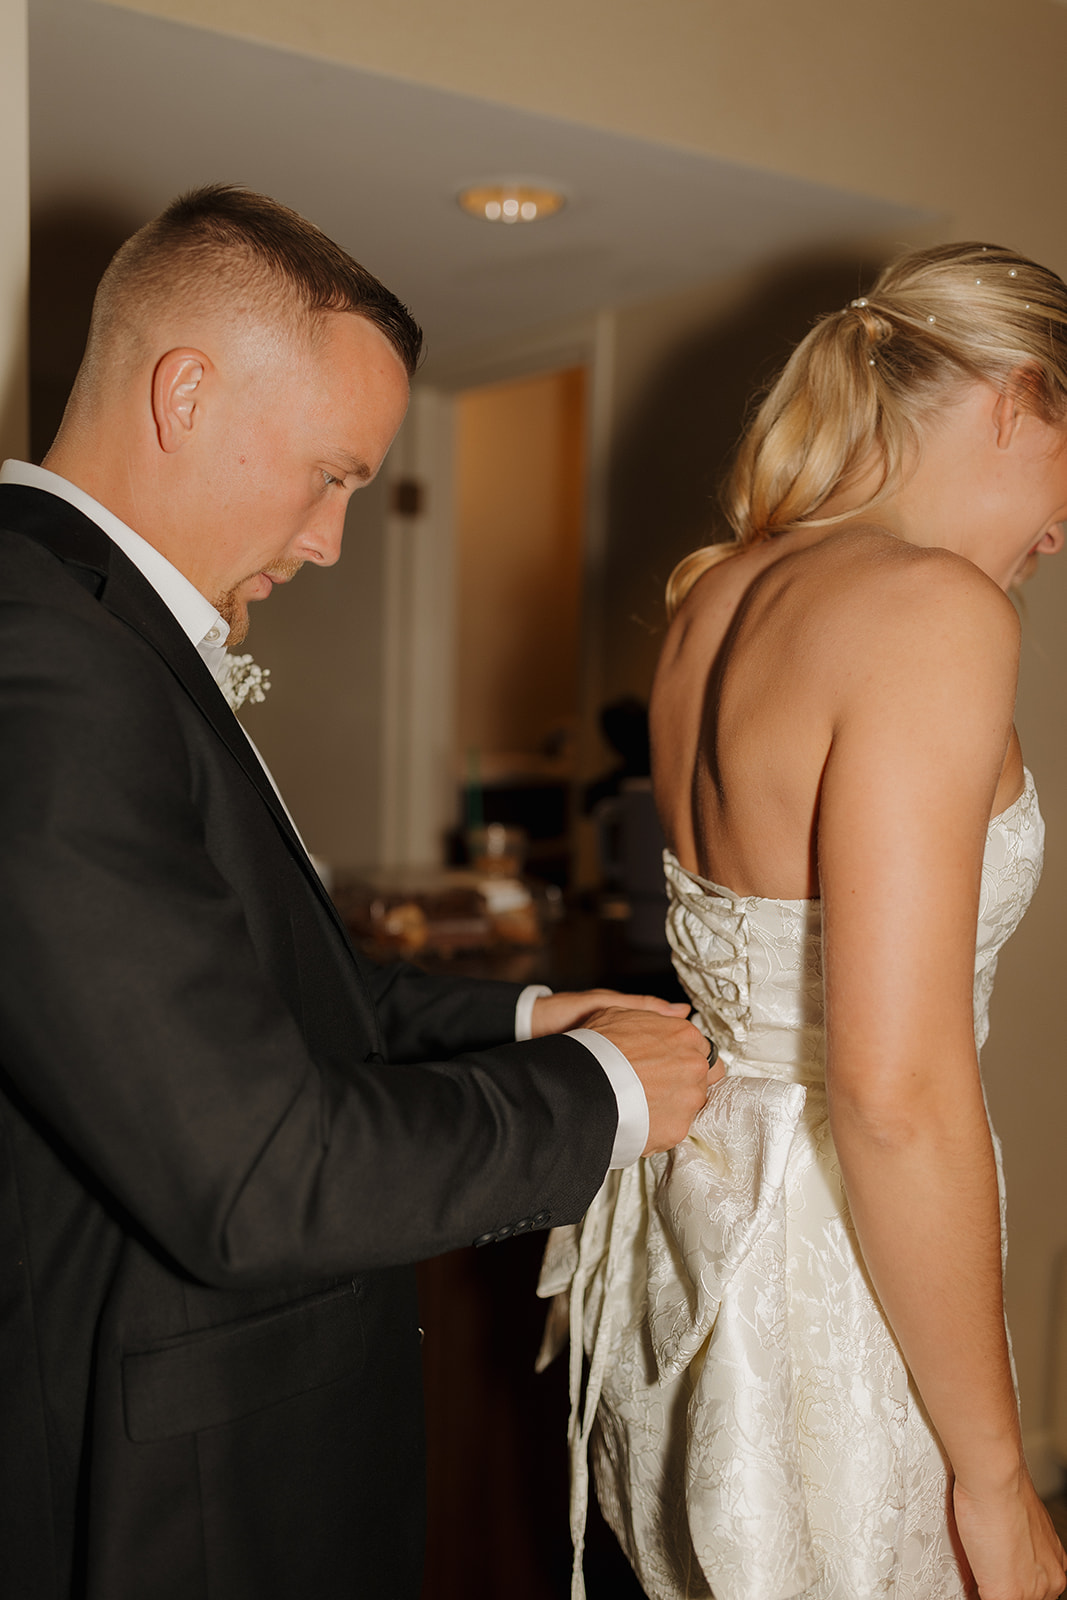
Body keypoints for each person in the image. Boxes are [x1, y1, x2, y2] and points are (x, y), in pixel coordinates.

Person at [0, 184, 717, 1600]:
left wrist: (514, 1019)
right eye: (329, 473)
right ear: (185, 393)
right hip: (168, 1502)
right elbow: (260, 1172)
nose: (333, 539)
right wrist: (601, 1097)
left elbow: (256, 987)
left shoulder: (94, 625)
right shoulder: (47, 656)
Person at [538, 242, 1067, 1600]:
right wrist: (999, 1479)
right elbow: (888, 1093)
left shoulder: (713, 599)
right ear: (1019, 400)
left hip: (698, 1232)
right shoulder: (933, 613)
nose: (1063, 531)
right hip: (840, 1265)